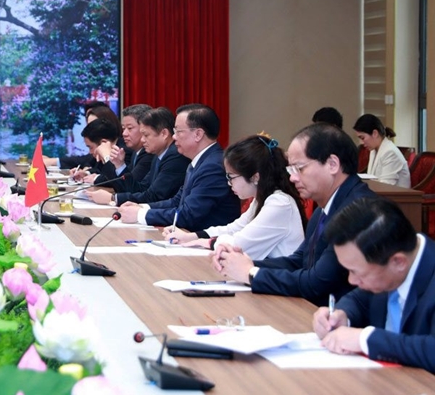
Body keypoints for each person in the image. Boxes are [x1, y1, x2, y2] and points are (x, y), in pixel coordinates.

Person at [213, 123, 376, 306]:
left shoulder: (358, 210)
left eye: (299, 168)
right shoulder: (325, 207)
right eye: (291, 170)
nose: (293, 177)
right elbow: (300, 261)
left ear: (332, 164)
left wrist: (251, 273)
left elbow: (316, 283)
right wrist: (243, 263)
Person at [313, 197, 435, 372]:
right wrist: (342, 315)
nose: (351, 281)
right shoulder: (386, 266)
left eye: (357, 272)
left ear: (398, 262)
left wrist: (365, 339)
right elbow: (359, 299)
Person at [173, 134, 306, 260]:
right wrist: (192, 236)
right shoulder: (263, 198)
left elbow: (240, 245)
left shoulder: (279, 203)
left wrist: (208, 242)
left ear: (255, 177)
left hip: (278, 275)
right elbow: (234, 228)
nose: (229, 183)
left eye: (231, 177)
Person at [117, 103, 240, 231]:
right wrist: (143, 207)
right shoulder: (200, 160)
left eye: (178, 131)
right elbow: (177, 201)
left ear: (198, 134)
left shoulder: (213, 166)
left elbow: (188, 215)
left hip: (205, 239)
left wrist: (141, 215)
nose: (174, 136)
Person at [89, 106, 188, 206]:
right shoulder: (158, 155)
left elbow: (153, 197)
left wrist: (113, 198)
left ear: (164, 134)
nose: (142, 140)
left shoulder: (175, 157)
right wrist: (119, 165)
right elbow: (140, 188)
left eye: (146, 135)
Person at [87, 104, 153, 193]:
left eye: (130, 128)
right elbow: (122, 182)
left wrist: (107, 157)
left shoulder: (149, 154)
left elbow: (128, 188)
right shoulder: (136, 152)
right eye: (123, 128)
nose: (124, 133)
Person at [353, 114, 411, 188]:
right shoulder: (374, 150)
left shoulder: (390, 153)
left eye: (362, 138)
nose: (361, 142)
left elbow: (386, 186)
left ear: (375, 133)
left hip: (394, 194)